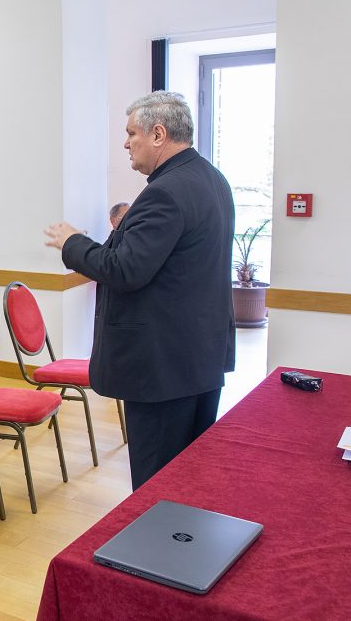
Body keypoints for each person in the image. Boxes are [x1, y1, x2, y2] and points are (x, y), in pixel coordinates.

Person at [44, 91, 235, 491]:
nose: (126, 143)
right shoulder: (212, 179)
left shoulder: (165, 191)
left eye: (131, 133)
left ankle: (158, 553)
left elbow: (126, 269)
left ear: (159, 134)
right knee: (191, 478)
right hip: (199, 359)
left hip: (162, 367)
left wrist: (73, 243)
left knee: (156, 486)